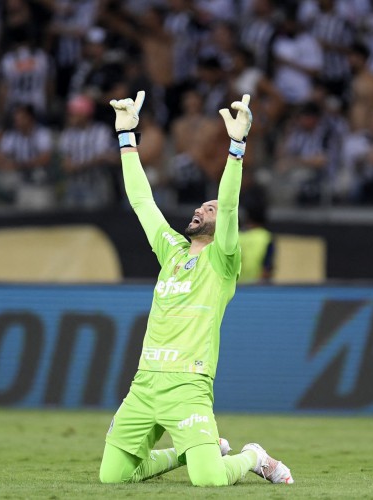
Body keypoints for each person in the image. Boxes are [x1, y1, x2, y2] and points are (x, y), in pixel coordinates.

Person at [99, 91, 293, 487]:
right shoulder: (171, 250)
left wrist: (237, 147)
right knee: (113, 476)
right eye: (199, 207)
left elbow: (229, 205)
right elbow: (140, 200)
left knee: (209, 482)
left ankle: (253, 456)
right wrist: (126, 137)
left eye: (208, 209)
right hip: (145, 381)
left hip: (188, 384)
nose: (200, 210)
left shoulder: (223, 261)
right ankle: (195, 451)